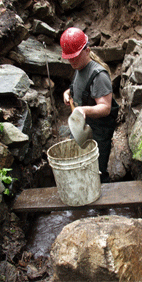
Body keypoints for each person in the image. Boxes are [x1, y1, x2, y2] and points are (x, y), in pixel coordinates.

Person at [60, 27, 119, 183]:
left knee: (97, 170)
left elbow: (105, 108)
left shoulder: (99, 76)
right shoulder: (79, 68)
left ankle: (103, 202)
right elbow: (80, 88)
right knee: (82, 165)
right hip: (83, 126)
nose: (71, 61)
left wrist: (83, 109)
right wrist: (68, 93)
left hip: (98, 130)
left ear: (87, 50)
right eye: (69, 58)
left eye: (75, 57)